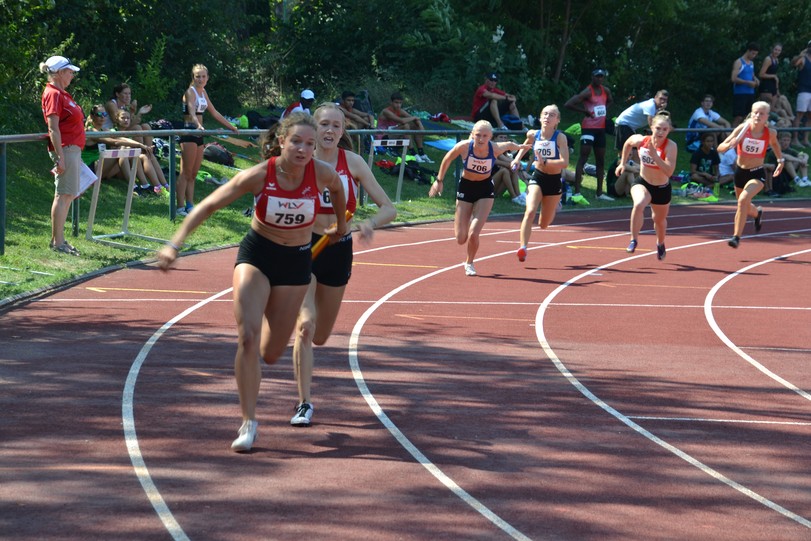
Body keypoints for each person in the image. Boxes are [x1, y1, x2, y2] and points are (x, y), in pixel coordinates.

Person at [157, 112, 347, 452]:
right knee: (246, 336)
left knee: (271, 354)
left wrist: (342, 230)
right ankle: (248, 422)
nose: (304, 149)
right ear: (281, 143)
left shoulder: (322, 173)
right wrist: (175, 243)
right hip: (257, 256)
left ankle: (262, 341)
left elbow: (340, 192)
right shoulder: (260, 175)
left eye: (310, 144)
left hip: (295, 264)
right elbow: (210, 204)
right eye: (297, 142)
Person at [262, 103, 396, 427]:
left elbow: (388, 207)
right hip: (301, 247)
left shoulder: (354, 163)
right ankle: (304, 402)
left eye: (336, 125)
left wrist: (368, 224)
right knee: (305, 327)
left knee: (321, 335)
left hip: (338, 250)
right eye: (324, 124)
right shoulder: (299, 161)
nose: (329, 131)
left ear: (343, 129)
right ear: (314, 127)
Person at [427, 120, 530, 276]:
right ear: (472, 134)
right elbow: (447, 158)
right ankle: (464, 219)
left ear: (490, 137)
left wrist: (520, 148)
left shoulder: (494, 148)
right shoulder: (464, 147)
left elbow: (509, 144)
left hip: (485, 189)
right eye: (478, 135)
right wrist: (439, 181)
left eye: (485, 136)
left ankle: (469, 263)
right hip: (466, 189)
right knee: (461, 238)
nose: (481, 139)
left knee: (474, 233)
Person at [717, 101, 783, 248]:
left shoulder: (770, 133)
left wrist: (781, 161)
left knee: (743, 200)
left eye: (762, 113)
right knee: (744, 205)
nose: (758, 115)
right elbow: (720, 148)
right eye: (756, 112)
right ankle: (757, 213)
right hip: (740, 172)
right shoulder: (742, 129)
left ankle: (736, 237)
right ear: (751, 114)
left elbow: (776, 146)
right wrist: (729, 145)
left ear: (767, 116)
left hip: (756, 173)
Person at [177, 64, 239, 217]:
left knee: (193, 173)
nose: (200, 79)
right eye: (197, 76)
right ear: (193, 77)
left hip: (200, 135)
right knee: (185, 172)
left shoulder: (203, 92)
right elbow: (191, 111)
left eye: (203, 76)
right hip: (190, 132)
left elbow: (214, 113)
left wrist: (231, 127)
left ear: (207, 78)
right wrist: (198, 125)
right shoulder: (190, 92)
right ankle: (179, 207)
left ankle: (190, 205)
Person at [510, 105, 569, 262]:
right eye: (545, 114)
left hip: (554, 181)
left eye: (552, 115)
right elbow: (526, 146)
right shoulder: (533, 134)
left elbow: (565, 162)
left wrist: (547, 162)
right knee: (529, 211)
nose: (547, 117)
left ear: (557, 120)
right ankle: (523, 247)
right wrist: (516, 159)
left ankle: (555, 205)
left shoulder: (560, 137)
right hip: (538, 177)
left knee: (543, 224)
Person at [616, 110, 678, 260]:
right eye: (658, 128)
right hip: (643, 182)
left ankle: (660, 242)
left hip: (661, 188)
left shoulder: (671, 146)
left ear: (669, 130)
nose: (661, 132)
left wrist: (655, 155)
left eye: (665, 129)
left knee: (659, 221)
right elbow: (628, 142)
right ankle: (633, 239)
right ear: (651, 127)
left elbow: (669, 171)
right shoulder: (642, 140)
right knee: (639, 204)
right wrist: (622, 163)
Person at [40, 55, 84, 256]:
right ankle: (58, 242)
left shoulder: (61, 93)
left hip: (71, 149)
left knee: (67, 195)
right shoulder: (53, 94)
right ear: (57, 73)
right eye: (68, 71)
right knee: (63, 195)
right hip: (65, 149)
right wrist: (60, 157)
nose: (72, 75)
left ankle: (60, 240)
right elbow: (53, 128)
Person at [564, 69, 614, 203]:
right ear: (592, 77)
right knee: (583, 158)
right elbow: (568, 104)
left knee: (600, 160)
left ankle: (599, 193)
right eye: (597, 76)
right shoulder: (587, 91)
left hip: (600, 129)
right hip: (588, 128)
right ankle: (577, 192)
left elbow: (610, 101)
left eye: (601, 76)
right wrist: (584, 111)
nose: (599, 79)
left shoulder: (606, 91)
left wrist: (604, 109)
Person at [84, 104, 152, 186]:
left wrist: (140, 145)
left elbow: (121, 138)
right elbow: (115, 142)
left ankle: (146, 185)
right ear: (92, 116)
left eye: (104, 114)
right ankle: (133, 186)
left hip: (102, 167)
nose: (102, 117)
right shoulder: (91, 131)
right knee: (120, 151)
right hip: (90, 169)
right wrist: (139, 145)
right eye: (99, 114)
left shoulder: (105, 130)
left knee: (132, 152)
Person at [111, 109, 169, 196]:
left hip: (131, 163)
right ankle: (136, 186)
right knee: (128, 151)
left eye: (128, 118)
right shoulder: (113, 131)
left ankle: (160, 186)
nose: (126, 120)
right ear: (117, 119)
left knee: (147, 155)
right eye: (123, 118)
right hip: (118, 167)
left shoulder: (129, 132)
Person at [377, 92, 433, 163]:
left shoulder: (400, 111)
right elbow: (402, 121)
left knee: (415, 125)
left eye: (400, 103)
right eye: (396, 102)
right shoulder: (386, 111)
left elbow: (415, 119)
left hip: (393, 134)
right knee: (405, 125)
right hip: (383, 138)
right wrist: (415, 118)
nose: (398, 105)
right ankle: (413, 153)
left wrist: (420, 125)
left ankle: (421, 153)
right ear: (391, 102)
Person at [731, 42, 760, 127]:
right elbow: (733, 78)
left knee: (748, 117)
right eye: (753, 53)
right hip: (740, 93)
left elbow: (751, 74)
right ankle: (731, 135)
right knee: (738, 117)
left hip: (750, 93)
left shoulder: (751, 63)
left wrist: (755, 79)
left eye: (755, 54)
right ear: (748, 51)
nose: (754, 55)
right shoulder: (739, 62)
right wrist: (747, 82)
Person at [791, 41, 811, 148]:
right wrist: (801, 54)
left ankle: (805, 139)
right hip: (804, 90)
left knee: (810, 116)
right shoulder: (803, 59)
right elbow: (794, 63)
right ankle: (794, 139)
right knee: (800, 115)